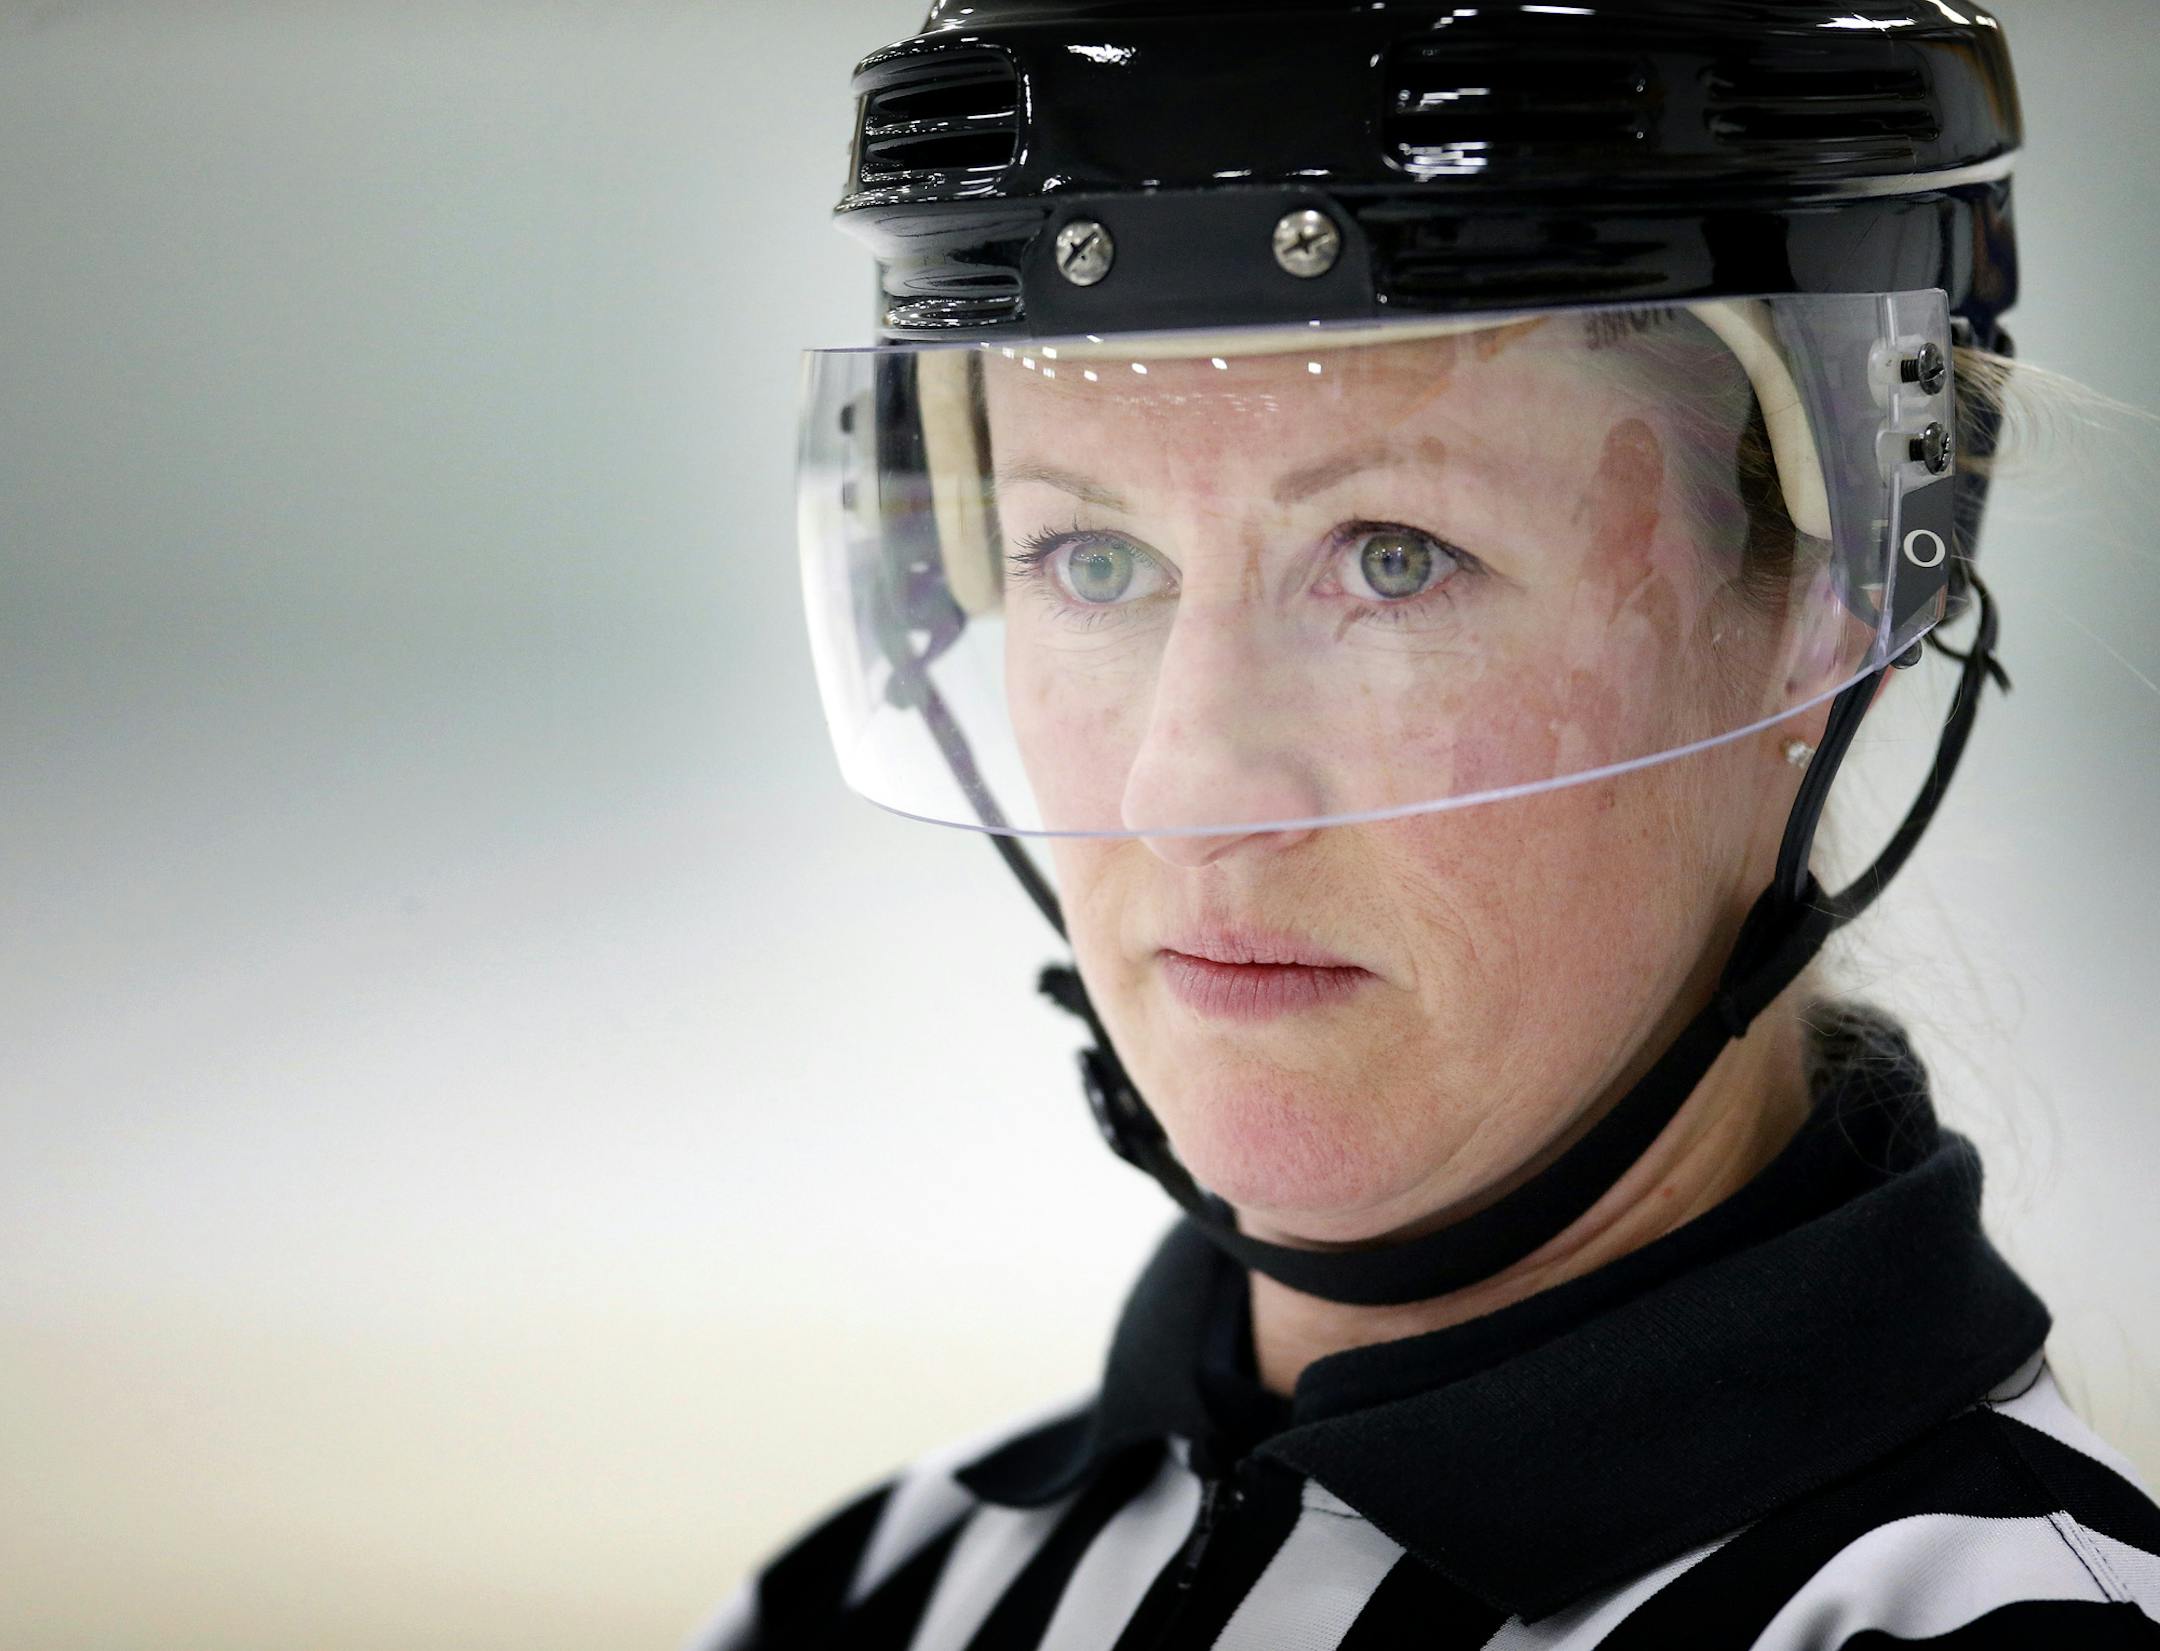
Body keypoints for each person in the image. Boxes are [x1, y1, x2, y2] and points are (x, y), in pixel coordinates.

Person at [699, 1, 2160, 1645]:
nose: (1186, 795)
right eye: (1090, 563)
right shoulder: (875, 1597)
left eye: (1397, 556)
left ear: (1839, 608)